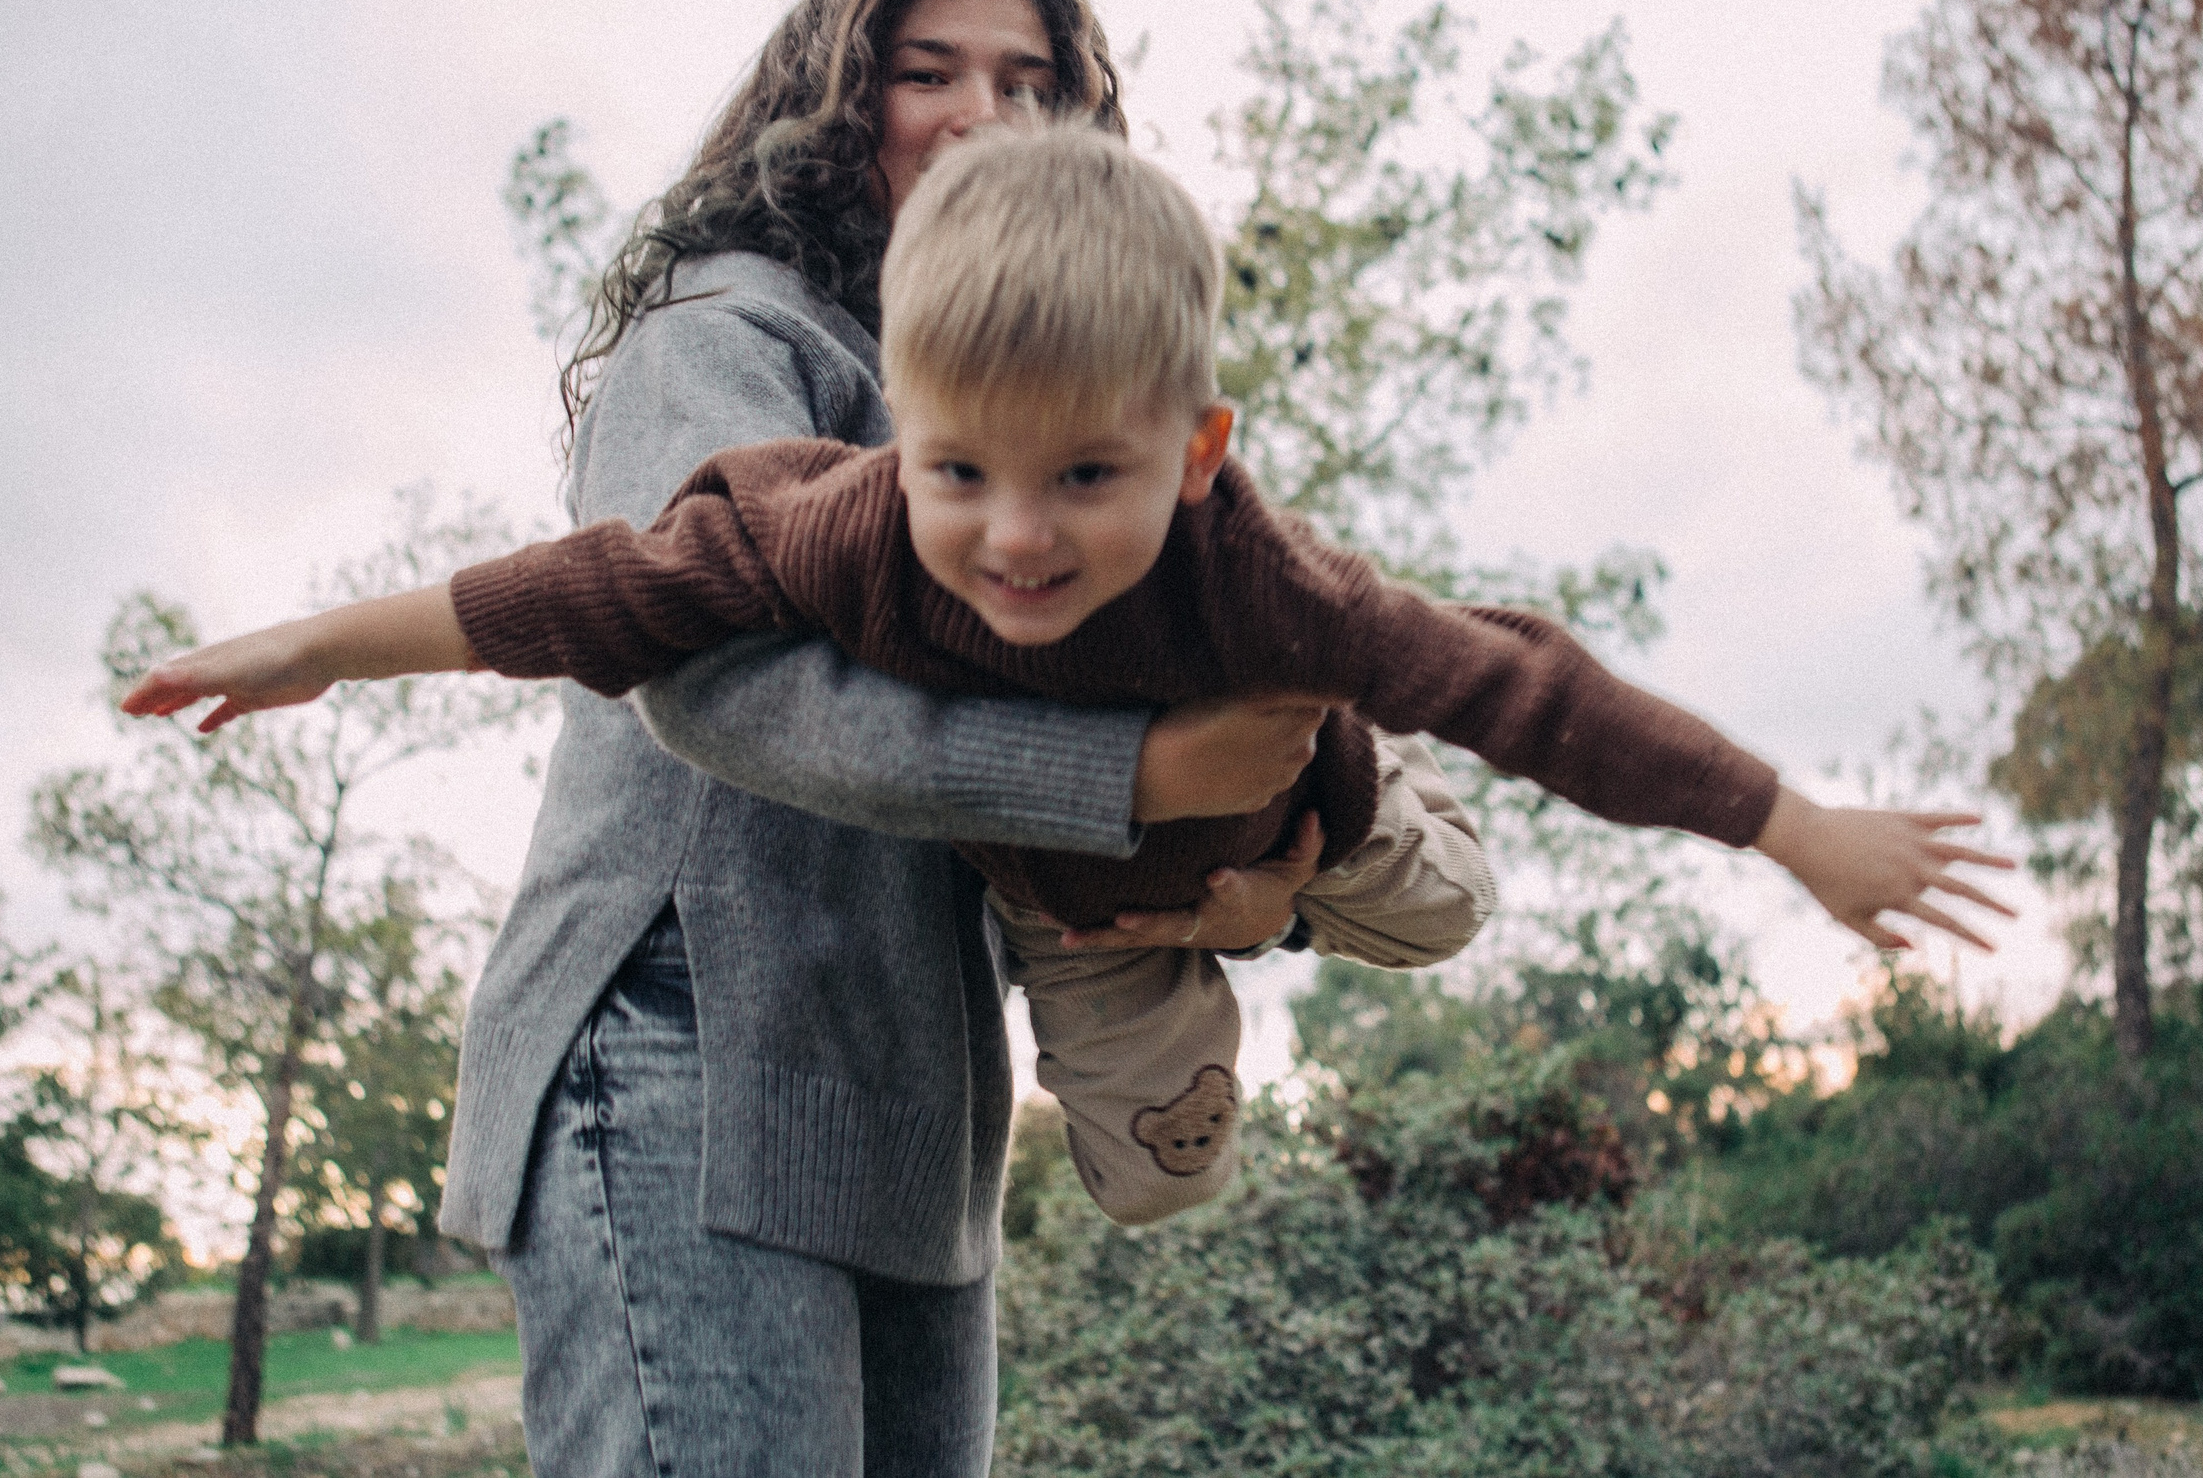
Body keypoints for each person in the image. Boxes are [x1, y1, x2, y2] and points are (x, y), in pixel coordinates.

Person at [127, 0, 1527, 1478]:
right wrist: (1134, 779)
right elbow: (714, 688)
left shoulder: (1028, 415)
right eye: (931, 71)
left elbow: (1086, 761)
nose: (983, 113)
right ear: (838, 98)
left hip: (919, 1114)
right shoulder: (729, 328)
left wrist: (1247, 895)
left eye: (1029, 84)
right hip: (678, 1057)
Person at [130, 126, 2020, 1235]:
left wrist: (1793, 826)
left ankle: (1354, 830)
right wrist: (314, 645)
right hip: (1079, 893)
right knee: (1158, 1183)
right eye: (961, 470)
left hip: (1295, 788)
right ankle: (1210, 935)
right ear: (898, 422)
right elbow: (580, 596)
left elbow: (1538, 693)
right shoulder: (835, 527)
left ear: (1195, 451)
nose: (1016, 538)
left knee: (1445, 903)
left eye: (1086, 479)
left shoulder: (1264, 580)